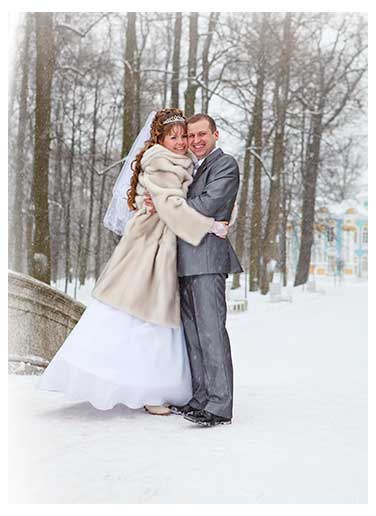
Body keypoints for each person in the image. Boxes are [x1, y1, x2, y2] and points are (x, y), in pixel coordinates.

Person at [37, 109, 229, 416]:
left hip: (164, 243)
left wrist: (151, 202)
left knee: (154, 317)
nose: (181, 143)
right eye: (174, 137)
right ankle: (146, 389)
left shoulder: (183, 162)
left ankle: (154, 386)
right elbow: (171, 204)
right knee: (143, 316)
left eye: (184, 136)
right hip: (149, 246)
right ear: (160, 138)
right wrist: (209, 226)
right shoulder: (161, 161)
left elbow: (168, 200)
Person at [146, 114, 243, 427]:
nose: (196, 140)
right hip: (182, 262)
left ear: (216, 133)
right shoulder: (190, 166)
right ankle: (200, 398)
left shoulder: (225, 165)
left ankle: (219, 405)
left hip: (207, 261)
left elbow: (207, 204)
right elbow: (184, 202)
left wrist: (166, 203)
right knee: (193, 335)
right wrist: (163, 200)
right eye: (191, 135)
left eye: (203, 134)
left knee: (212, 332)